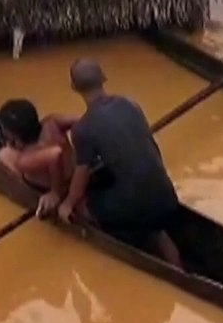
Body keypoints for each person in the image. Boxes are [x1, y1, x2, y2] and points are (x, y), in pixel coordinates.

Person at [55, 59, 183, 269]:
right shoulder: (132, 105)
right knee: (156, 229)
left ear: (74, 88)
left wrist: (67, 204)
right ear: (104, 79)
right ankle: (178, 269)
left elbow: (79, 180)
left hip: (133, 206)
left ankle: (112, 242)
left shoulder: (83, 128)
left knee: (81, 206)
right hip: (167, 196)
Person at [0, 98, 75, 215]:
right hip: (73, 170)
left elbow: (55, 154)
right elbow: (82, 120)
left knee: (2, 154)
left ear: (12, 135)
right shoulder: (52, 122)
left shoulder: (24, 161)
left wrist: (55, 192)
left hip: (58, 185)